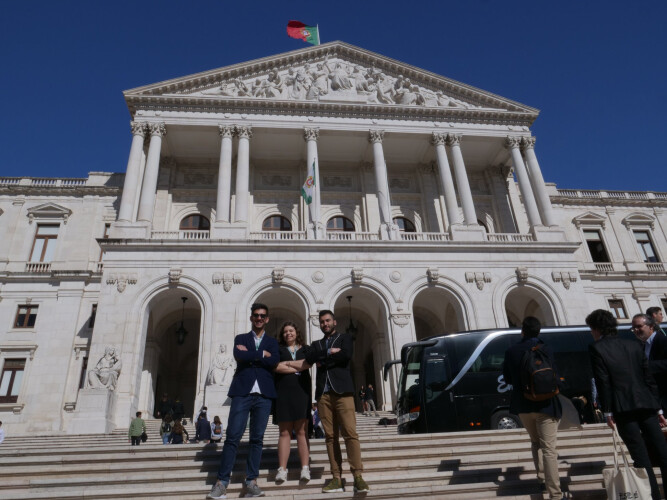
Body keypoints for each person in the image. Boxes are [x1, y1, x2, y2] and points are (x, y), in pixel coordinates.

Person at [588, 309, 667, 500]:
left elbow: (603, 381)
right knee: (662, 450)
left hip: (623, 407)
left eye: (592, 329)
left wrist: (607, 412)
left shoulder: (597, 348)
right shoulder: (633, 345)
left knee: (640, 455)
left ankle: (653, 495)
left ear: (597, 329)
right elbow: (648, 378)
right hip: (647, 404)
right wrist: (658, 408)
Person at [287, 310, 369, 493]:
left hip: (343, 392)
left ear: (334, 322)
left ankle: (358, 476)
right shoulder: (316, 344)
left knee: (350, 433)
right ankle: (336, 478)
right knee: (330, 437)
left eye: (327, 321)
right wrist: (329, 352)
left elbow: (346, 356)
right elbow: (310, 358)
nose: (325, 324)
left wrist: (323, 358)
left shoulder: (345, 338)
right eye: (322, 322)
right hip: (323, 394)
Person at [207, 303, 279, 499]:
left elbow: (274, 361)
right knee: (232, 437)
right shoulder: (241, 338)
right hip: (242, 393)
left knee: (257, 439)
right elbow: (239, 355)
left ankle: (251, 481)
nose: (259, 318)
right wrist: (261, 355)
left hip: (263, 394)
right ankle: (222, 482)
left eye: (263, 316)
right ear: (251, 318)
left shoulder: (272, 342)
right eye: (256, 315)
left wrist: (252, 356)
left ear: (267, 319)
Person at [502, 317, 564, 500]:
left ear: (522, 331)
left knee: (535, 442)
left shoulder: (511, 351)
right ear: (539, 331)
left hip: (523, 404)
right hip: (547, 405)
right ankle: (556, 494)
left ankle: (541, 480)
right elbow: (555, 375)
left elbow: (507, 379)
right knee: (549, 449)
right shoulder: (547, 348)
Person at [273, 321, 312, 483]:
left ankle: (305, 468)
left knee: (302, 432)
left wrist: (287, 363)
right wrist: (297, 366)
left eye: (291, 330)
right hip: (283, 392)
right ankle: (282, 469)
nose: (288, 333)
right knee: (284, 432)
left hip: (302, 392)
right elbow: (275, 367)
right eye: (285, 331)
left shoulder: (306, 349)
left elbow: (307, 364)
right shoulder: (278, 349)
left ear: (297, 332)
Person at [632, 313, 667, 410]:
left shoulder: (663, 340)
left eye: (639, 326)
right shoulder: (641, 345)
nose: (635, 330)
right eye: (633, 328)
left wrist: (646, 366)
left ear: (651, 326)